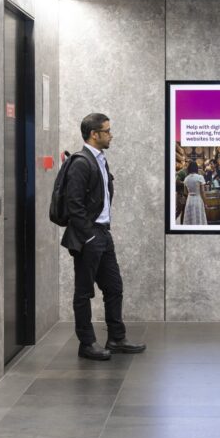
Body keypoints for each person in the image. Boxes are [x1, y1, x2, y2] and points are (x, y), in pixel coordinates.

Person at [61, 113, 146, 360]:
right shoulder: (81, 162)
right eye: (107, 131)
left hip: (103, 233)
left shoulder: (100, 160)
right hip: (89, 235)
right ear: (94, 134)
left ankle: (117, 338)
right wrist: (88, 236)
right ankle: (86, 343)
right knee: (84, 291)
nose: (111, 135)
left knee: (114, 287)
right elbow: (73, 204)